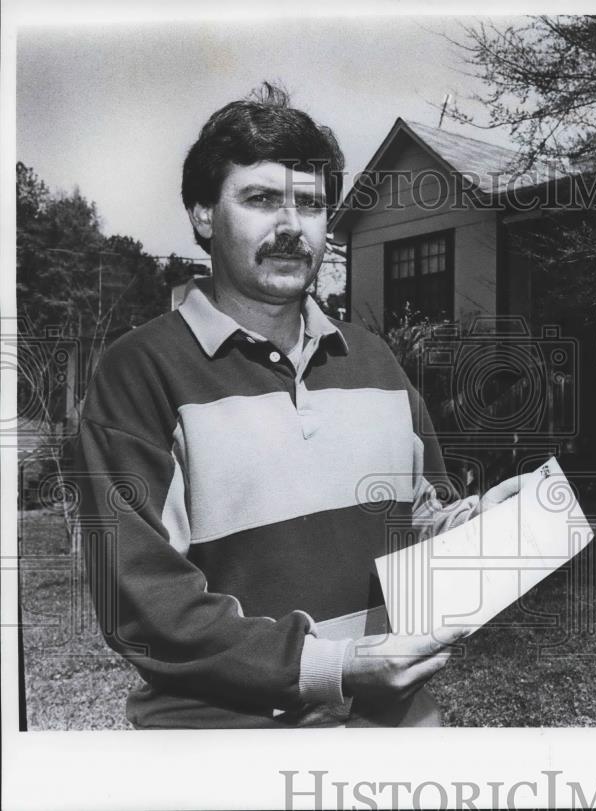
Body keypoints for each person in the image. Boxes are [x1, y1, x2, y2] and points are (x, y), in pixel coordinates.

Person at [74, 83, 523, 729]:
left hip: (392, 729)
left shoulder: (377, 361)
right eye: (260, 199)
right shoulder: (139, 372)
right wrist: (329, 665)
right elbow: (140, 603)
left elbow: (413, 530)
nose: (290, 227)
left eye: (310, 205)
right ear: (203, 215)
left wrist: (484, 526)